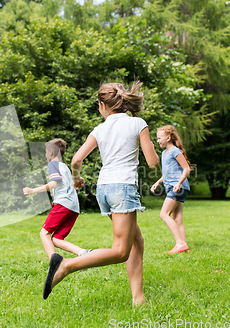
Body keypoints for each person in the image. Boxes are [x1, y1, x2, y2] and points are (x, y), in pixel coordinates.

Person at [42, 81, 159, 305]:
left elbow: (76, 159)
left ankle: (139, 298)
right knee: (120, 251)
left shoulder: (100, 129)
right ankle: (66, 265)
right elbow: (152, 162)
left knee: (137, 242)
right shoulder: (137, 123)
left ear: (103, 105)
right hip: (122, 188)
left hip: (104, 189)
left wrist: (76, 180)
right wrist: (151, 146)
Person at [23, 139, 90, 260]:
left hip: (63, 204)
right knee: (57, 239)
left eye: (45, 152)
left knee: (44, 234)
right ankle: (83, 253)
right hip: (74, 207)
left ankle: (54, 262)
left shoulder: (53, 164)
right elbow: (71, 186)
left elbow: (54, 183)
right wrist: (78, 182)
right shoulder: (64, 167)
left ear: (51, 152)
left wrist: (33, 190)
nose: (45, 155)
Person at [151, 125, 191, 254]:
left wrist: (179, 183)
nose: (158, 140)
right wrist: (157, 182)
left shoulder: (175, 151)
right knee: (177, 219)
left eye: (159, 138)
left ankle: (179, 243)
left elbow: (186, 169)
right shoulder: (164, 153)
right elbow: (168, 172)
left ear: (168, 138)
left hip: (178, 187)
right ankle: (184, 247)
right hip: (175, 187)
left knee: (164, 214)